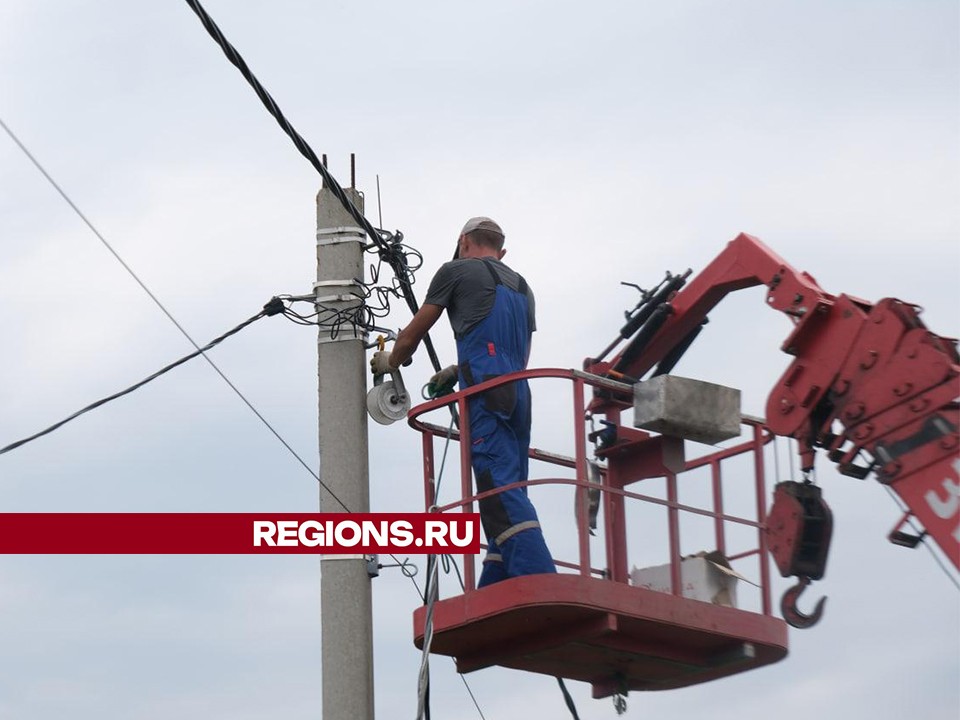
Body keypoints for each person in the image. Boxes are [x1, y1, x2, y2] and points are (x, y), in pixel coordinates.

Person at [371, 216, 556, 587]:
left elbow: (415, 332)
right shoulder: (523, 287)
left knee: (495, 482)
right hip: (519, 390)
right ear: (501, 251)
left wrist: (389, 360)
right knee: (510, 485)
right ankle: (498, 579)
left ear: (463, 241)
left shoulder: (455, 270)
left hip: (485, 390)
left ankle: (539, 579)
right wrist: (457, 369)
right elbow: (516, 352)